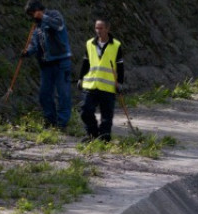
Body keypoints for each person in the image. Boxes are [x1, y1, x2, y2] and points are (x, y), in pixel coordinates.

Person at [22, 0, 72, 129]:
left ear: (38, 9)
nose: (32, 16)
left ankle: (62, 123)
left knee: (63, 93)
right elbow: (34, 44)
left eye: (33, 13)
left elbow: (59, 26)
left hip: (61, 62)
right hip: (46, 64)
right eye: (30, 14)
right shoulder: (36, 26)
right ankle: (50, 120)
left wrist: (43, 17)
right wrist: (27, 52)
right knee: (44, 94)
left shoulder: (54, 15)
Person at [78, 18, 124, 142]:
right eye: (96, 28)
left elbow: (120, 66)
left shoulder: (116, 45)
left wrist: (120, 83)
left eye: (101, 28)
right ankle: (92, 134)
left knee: (106, 115)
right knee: (85, 111)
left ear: (107, 29)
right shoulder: (89, 43)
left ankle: (104, 137)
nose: (98, 31)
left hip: (108, 86)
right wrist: (80, 78)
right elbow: (85, 62)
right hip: (90, 85)